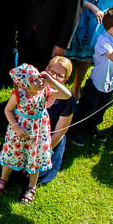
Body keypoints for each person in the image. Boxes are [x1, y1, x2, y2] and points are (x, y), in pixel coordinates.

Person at [0, 64, 71, 204]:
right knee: (13, 153)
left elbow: (67, 95)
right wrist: (15, 126)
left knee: (34, 158)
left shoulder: (46, 91)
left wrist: (50, 80)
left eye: (39, 78)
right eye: (35, 80)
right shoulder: (18, 95)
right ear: (25, 85)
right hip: (19, 132)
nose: (40, 82)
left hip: (37, 133)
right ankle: (4, 178)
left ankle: (31, 186)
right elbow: (7, 111)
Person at [69, 8, 113, 146]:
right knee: (87, 108)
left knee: (101, 109)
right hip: (96, 83)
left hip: (109, 83)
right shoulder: (104, 41)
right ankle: (75, 131)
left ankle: (92, 127)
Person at [37, 57, 75, 185]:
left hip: (50, 138)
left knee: (39, 174)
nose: (53, 78)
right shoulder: (35, 87)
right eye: (52, 72)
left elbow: (59, 133)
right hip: (29, 132)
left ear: (65, 79)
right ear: (46, 70)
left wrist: (41, 153)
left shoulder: (67, 100)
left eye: (59, 76)